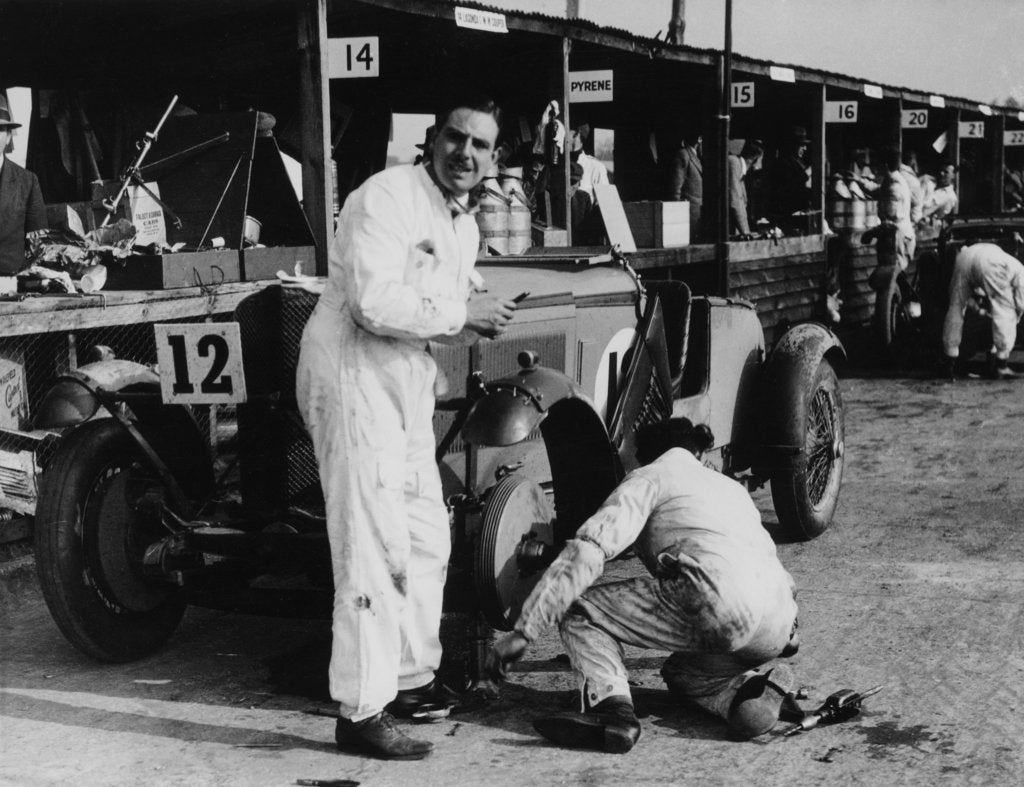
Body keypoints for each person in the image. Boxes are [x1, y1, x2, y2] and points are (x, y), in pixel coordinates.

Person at [296, 93, 520, 761]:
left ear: (493, 157)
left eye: (481, 145)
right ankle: (361, 709)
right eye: (456, 138)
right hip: (352, 372)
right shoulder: (384, 196)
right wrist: (464, 312)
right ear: (432, 138)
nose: (466, 154)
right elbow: (371, 302)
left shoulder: (463, 224)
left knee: (426, 533)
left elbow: (443, 293)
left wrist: (467, 303)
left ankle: (411, 677)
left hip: (406, 381)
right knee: (371, 542)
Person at [486, 418, 800, 753]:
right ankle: (747, 695)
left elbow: (589, 551)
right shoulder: (731, 489)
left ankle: (611, 711)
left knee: (580, 610)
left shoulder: (649, 476)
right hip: (778, 623)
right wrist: (787, 633)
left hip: (721, 604)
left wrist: (525, 630)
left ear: (644, 455)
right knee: (684, 675)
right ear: (695, 450)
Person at [941, 241, 1024, 380]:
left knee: (955, 307)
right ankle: (1001, 365)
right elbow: (1021, 303)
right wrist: (1018, 316)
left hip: (964, 257)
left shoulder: (1008, 259)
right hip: (991, 263)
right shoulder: (1020, 270)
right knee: (1005, 311)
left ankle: (949, 361)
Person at [0, 94, 47, 275]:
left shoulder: (28, 182)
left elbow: (38, 248)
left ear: (9, 137)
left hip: (12, 284)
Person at [768, 126, 813, 232]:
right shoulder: (783, 163)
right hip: (788, 216)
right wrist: (809, 171)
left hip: (800, 214)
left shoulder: (799, 162)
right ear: (792, 146)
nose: (805, 148)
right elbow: (791, 185)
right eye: (801, 145)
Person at [876, 149, 915, 269]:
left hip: (896, 238)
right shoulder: (891, 182)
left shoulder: (894, 187)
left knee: (893, 276)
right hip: (896, 237)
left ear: (885, 166)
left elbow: (891, 217)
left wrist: (874, 231)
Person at [666, 132, 703, 239]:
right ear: (699, 139)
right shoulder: (683, 155)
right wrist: (678, 219)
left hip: (695, 216)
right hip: (687, 217)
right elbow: (675, 190)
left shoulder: (696, 156)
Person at [728, 138, 764, 236]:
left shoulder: (741, 170)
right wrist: (746, 233)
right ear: (756, 159)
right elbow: (735, 202)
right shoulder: (734, 163)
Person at [569, 124, 609, 199]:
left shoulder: (596, 167)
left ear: (576, 134)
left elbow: (606, 205)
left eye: (565, 130)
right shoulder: (555, 164)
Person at [900, 149, 925, 225]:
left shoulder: (902, 172)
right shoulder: (911, 179)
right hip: (912, 218)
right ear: (912, 160)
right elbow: (916, 201)